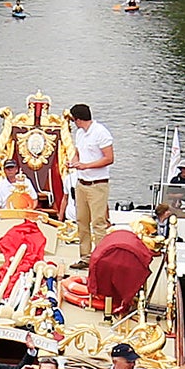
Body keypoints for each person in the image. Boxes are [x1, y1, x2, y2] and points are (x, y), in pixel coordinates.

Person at [65, 101, 115, 265]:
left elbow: (109, 158)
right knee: (82, 221)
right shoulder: (80, 134)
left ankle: (100, 259)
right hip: (82, 183)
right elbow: (78, 153)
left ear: (78, 119)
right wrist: (73, 162)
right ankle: (85, 256)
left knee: (98, 223)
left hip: (97, 184)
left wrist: (86, 165)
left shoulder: (101, 133)